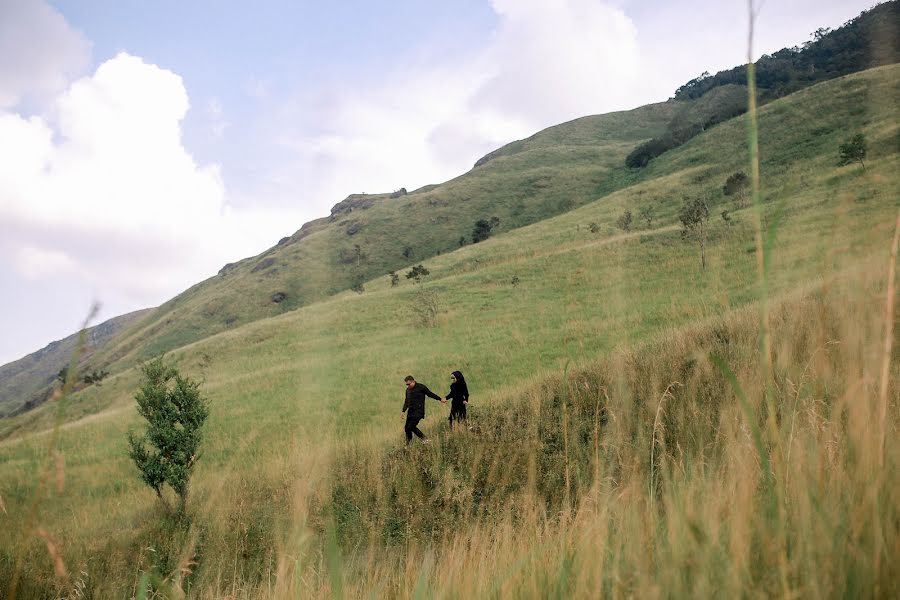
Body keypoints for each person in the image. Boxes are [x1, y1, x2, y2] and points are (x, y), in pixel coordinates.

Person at [402, 375, 445, 445]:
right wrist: (403, 411)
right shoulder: (408, 390)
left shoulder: (421, 387)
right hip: (410, 412)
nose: (407, 386)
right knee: (407, 428)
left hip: (418, 411)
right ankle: (408, 444)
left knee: (411, 426)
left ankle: (425, 439)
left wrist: (440, 399)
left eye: (408, 384)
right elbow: (406, 401)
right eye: (406, 384)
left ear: (413, 381)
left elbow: (430, 394)